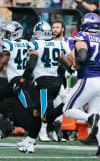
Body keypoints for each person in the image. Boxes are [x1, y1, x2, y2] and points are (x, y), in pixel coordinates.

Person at [17, 21, 73, 153]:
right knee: (36, 112)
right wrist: (71, 69)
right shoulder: (57, 43)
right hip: (55, 81)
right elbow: (64, 59)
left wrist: (23, 78)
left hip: (43, 83)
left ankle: (65, 106)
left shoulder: (35, 44)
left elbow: (31, 64)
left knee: (43, 116)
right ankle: (30, 140)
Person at [63, 13, 100, 157]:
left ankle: (89, 118)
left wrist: (72, 68)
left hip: (88, 79)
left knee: (67, 109)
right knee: (97, 115)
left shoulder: (82, 36)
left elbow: (82, 57)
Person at [0, 21, 31, 139]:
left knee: (27, 106)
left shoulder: (9, 44)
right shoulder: (26, 43)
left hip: (16, 80)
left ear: (15, 33)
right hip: (24, 79)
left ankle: (9, 123)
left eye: (8, 33)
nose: (5, 35)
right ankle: (7, 124)